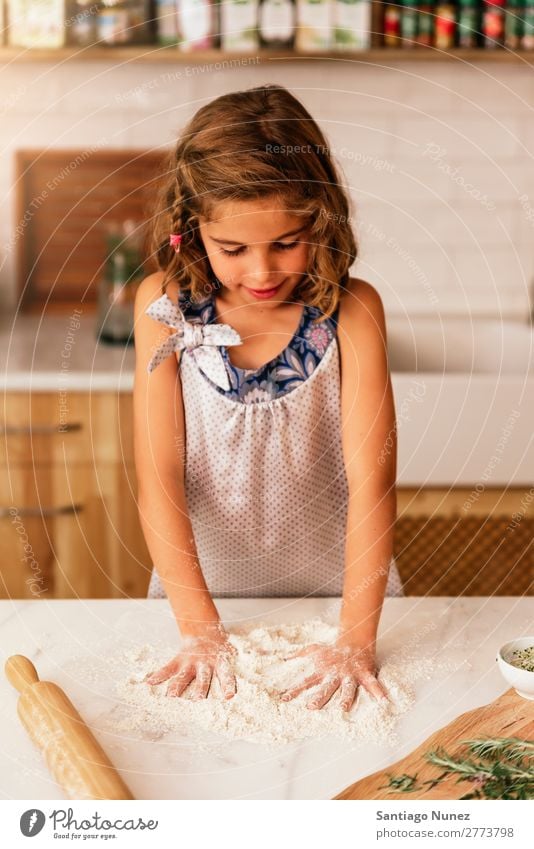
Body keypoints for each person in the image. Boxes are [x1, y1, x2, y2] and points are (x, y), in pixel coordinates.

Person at [133, 84, 403, 714]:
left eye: (286, 243)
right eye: (233, 250)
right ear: (191, 227)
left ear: (323, 219)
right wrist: (200, 628)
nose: (261, 272)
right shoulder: (166, 309)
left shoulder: (352, 314)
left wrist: (355, 640)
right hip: (198, 602)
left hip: (339, 604)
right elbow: (159, 476)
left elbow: (374, 482)